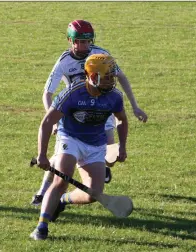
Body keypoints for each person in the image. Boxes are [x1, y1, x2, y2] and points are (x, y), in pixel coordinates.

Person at [31, 19, 148, 206]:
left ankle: (98, 171)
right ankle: (42, 192)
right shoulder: (64, 61)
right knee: (60, 156)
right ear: (70, 40)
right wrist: (52, 120)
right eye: (78, 41)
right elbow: (47, 93)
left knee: (109, 153)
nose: (83, 45)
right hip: (73, 112)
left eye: (86, 41)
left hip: (101, 108)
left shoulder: (101, 56)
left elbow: (121, 77)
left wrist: (134, 106)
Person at [30, 54, 129, 240]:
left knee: (94, 194)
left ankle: (61, 201)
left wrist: (122, 146)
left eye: (112, 76)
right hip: (70, 138)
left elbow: (122, 120)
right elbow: (46, 122)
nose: (111, 80)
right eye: (107, 76)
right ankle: (41, 226)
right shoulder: (72, 93)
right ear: (92, 77)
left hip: (96, 144)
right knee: (62, 180)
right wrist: (42, 154)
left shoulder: (114, 96)